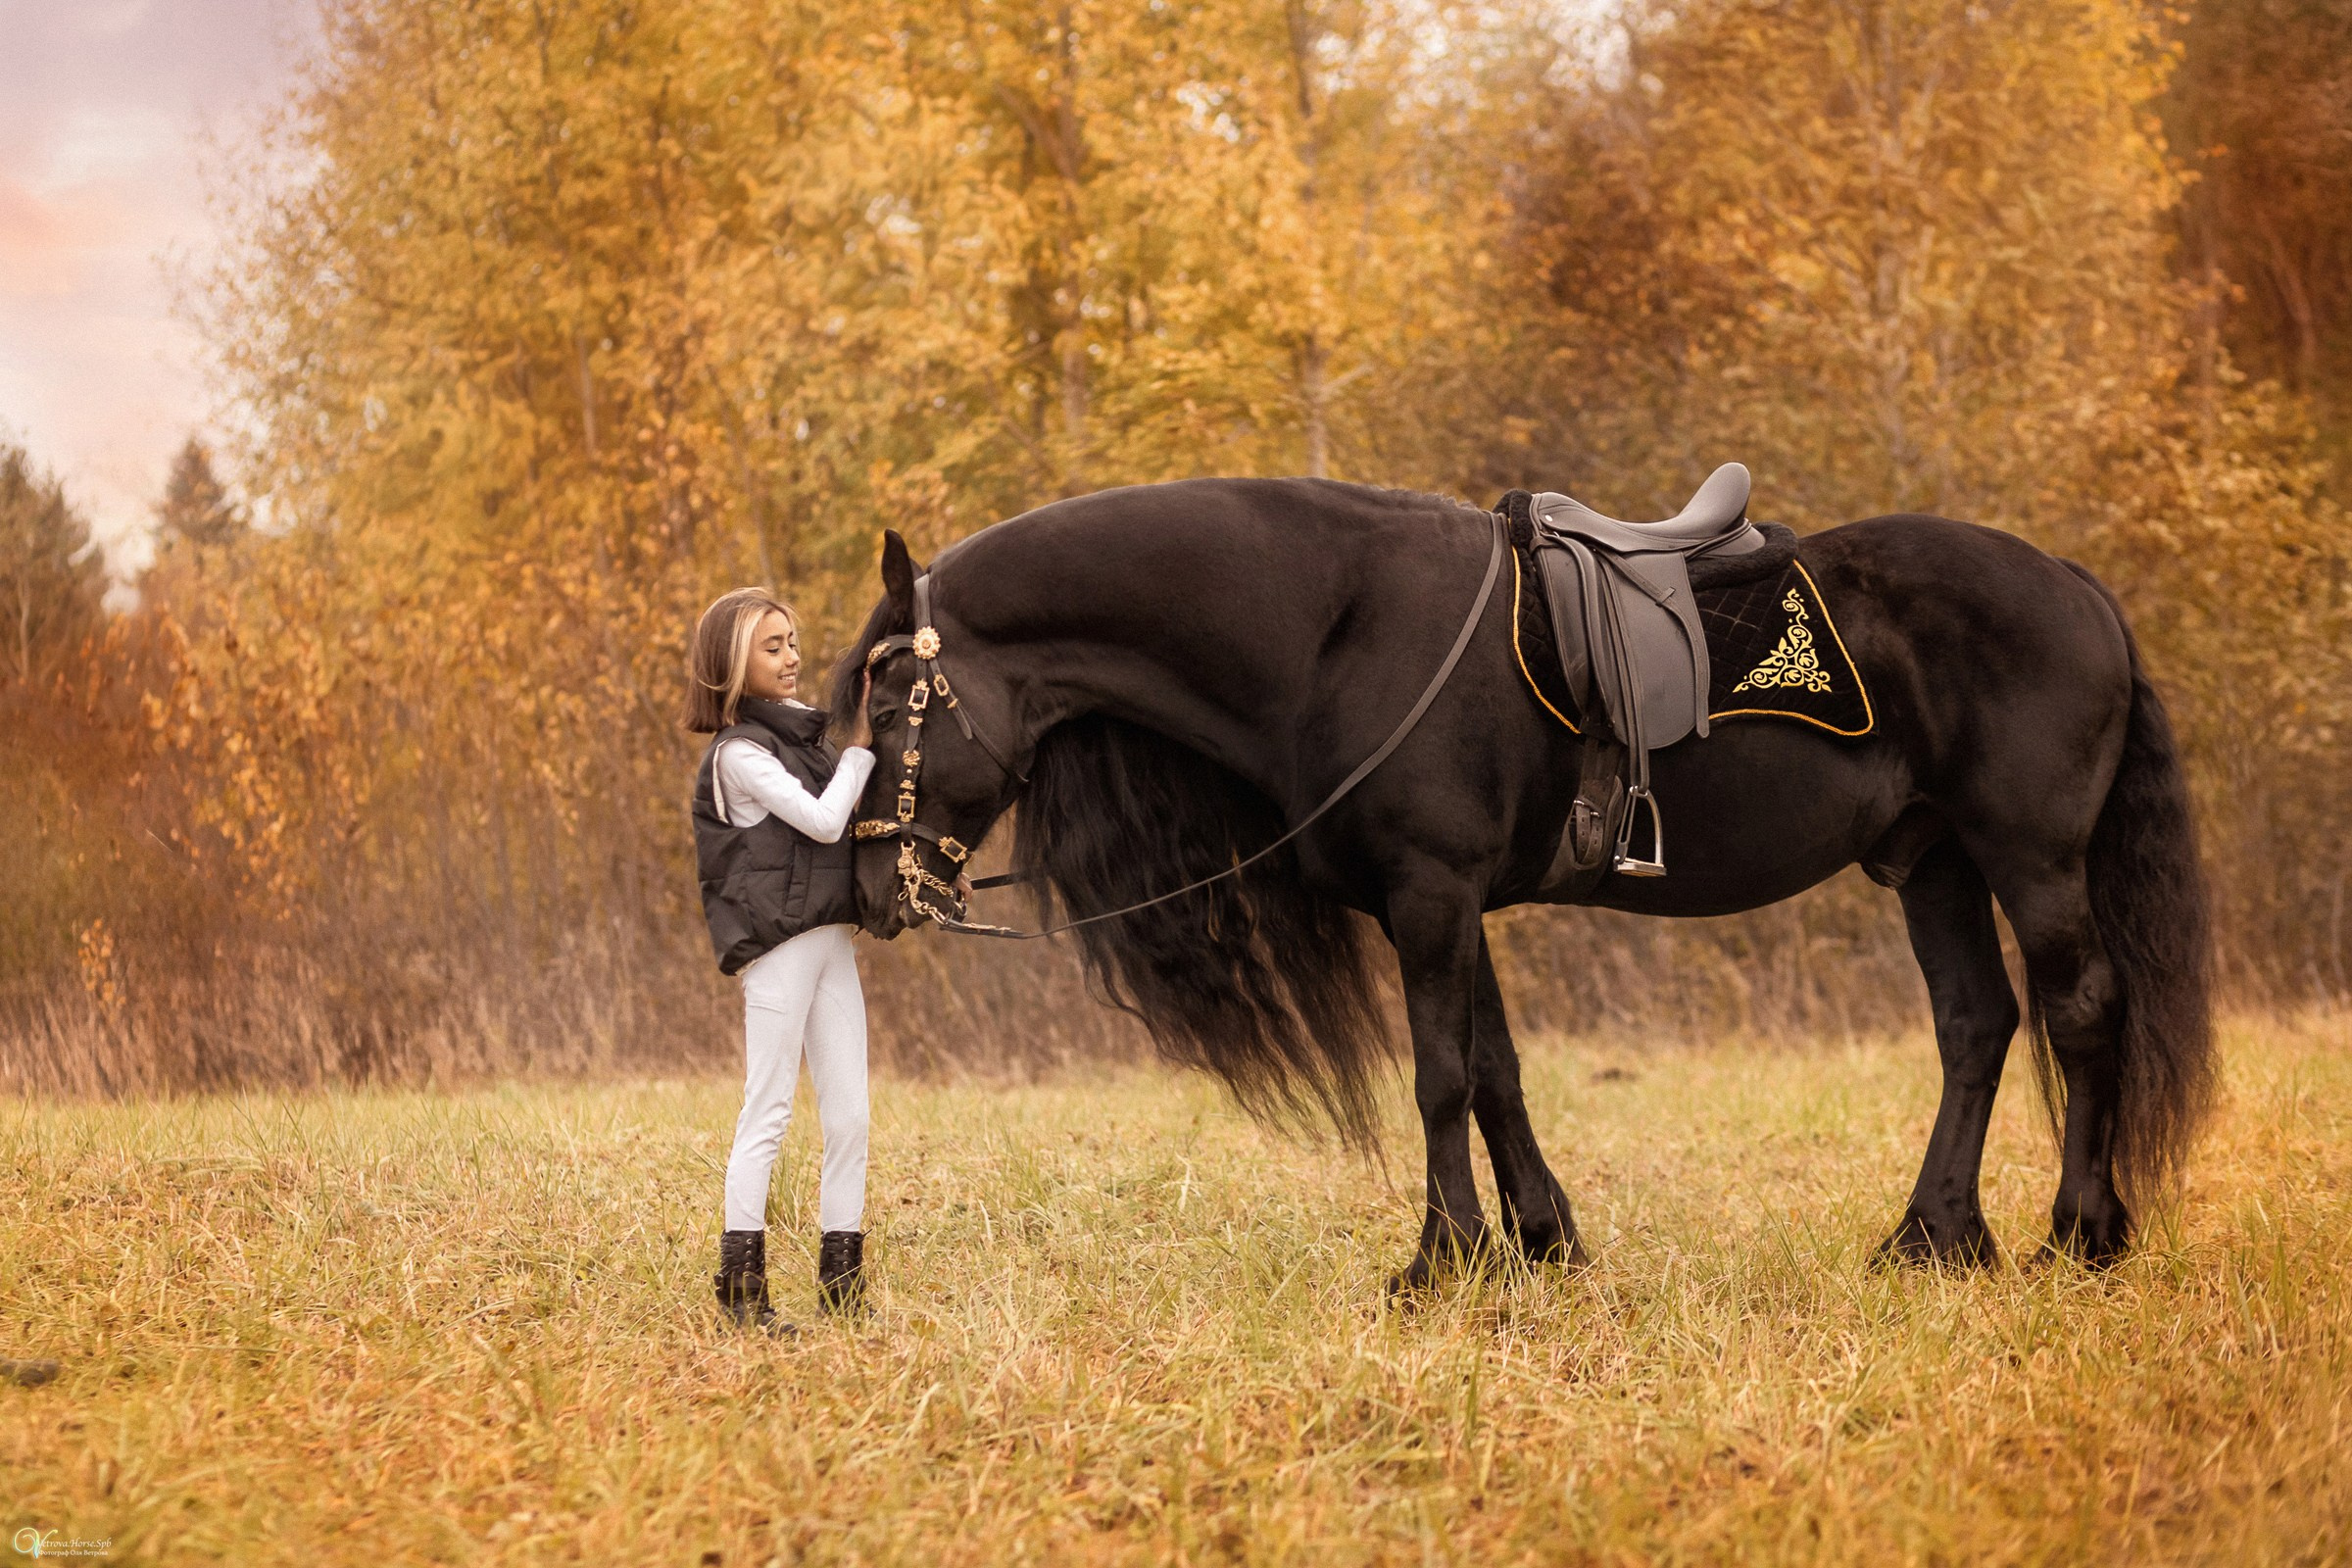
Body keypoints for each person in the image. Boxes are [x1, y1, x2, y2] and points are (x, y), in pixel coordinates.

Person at [684, 587, 875, 1332]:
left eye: (792, 641)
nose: (792, 657)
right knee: (766, 1112)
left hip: (830, 942)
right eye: (772, 647)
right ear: (734, 665)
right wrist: (861, 752)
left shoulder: (807, 744)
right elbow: (826, 823)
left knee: (851, 1117)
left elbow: (854, 830)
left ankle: (843, 1285)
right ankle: (740, 1290)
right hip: (779, 952)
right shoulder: (738, 756)